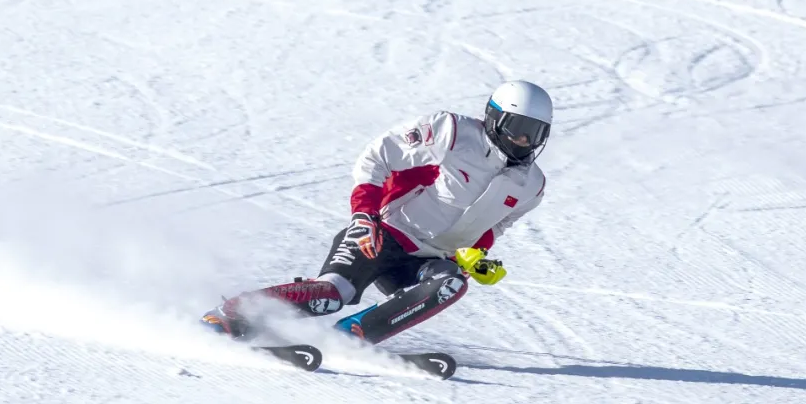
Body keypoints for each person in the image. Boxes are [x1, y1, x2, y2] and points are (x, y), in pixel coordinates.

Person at [202, 80, 552, 344]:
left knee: (450, 284)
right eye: (517, 130)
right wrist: (364, 216)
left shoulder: (530, 185)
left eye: (535, 134)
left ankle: (349, 337)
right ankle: (229, 315)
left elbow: (495, 225)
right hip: (382, 234)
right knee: (331, 295)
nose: (524, 142)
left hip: (427, 259)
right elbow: (377, 158)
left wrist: (477, 256)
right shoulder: (453, 132)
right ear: (494, 118)